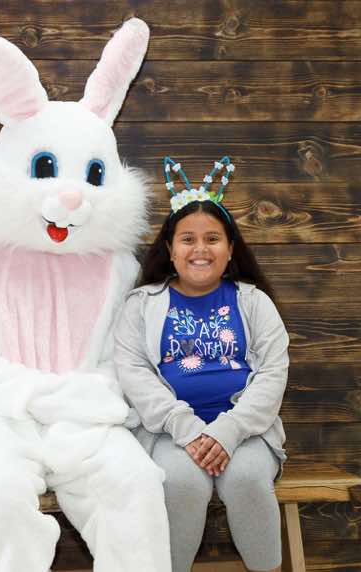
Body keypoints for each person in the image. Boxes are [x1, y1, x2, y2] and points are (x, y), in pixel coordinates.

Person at [114, 156, 288, 572]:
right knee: (179, 481)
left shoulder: (254, 302)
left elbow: (272, 373)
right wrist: (188, 429)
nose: (200, 249)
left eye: (212, 239)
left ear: (230, 249)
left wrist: (228, 431)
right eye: (187, 239)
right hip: (171, 434)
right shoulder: (141, 305)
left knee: (247, 479)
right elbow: (134, 373)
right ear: (170, 250)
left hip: (247, 431)